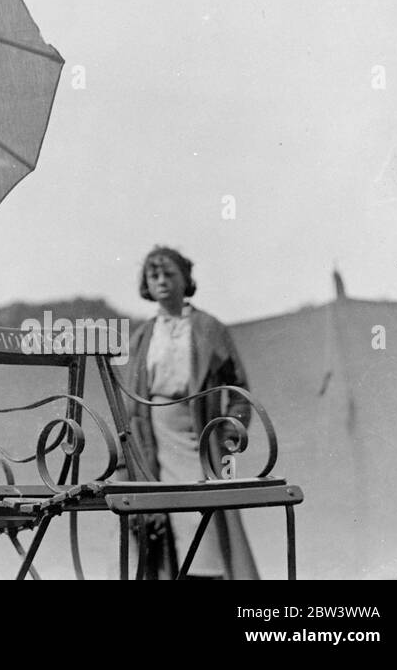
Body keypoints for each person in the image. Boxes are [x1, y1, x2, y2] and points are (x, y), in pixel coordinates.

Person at [123, 245, 259, 578]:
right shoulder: (143, 336)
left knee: (208, 519)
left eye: (170, 273)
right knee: (167, 521)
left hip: (201, 436)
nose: (162, 281)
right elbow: (131, 399)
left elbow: (238, 389)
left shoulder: (209, 328)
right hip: (156, 439)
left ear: (185, 279)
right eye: (154, 275)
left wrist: (229, 434)